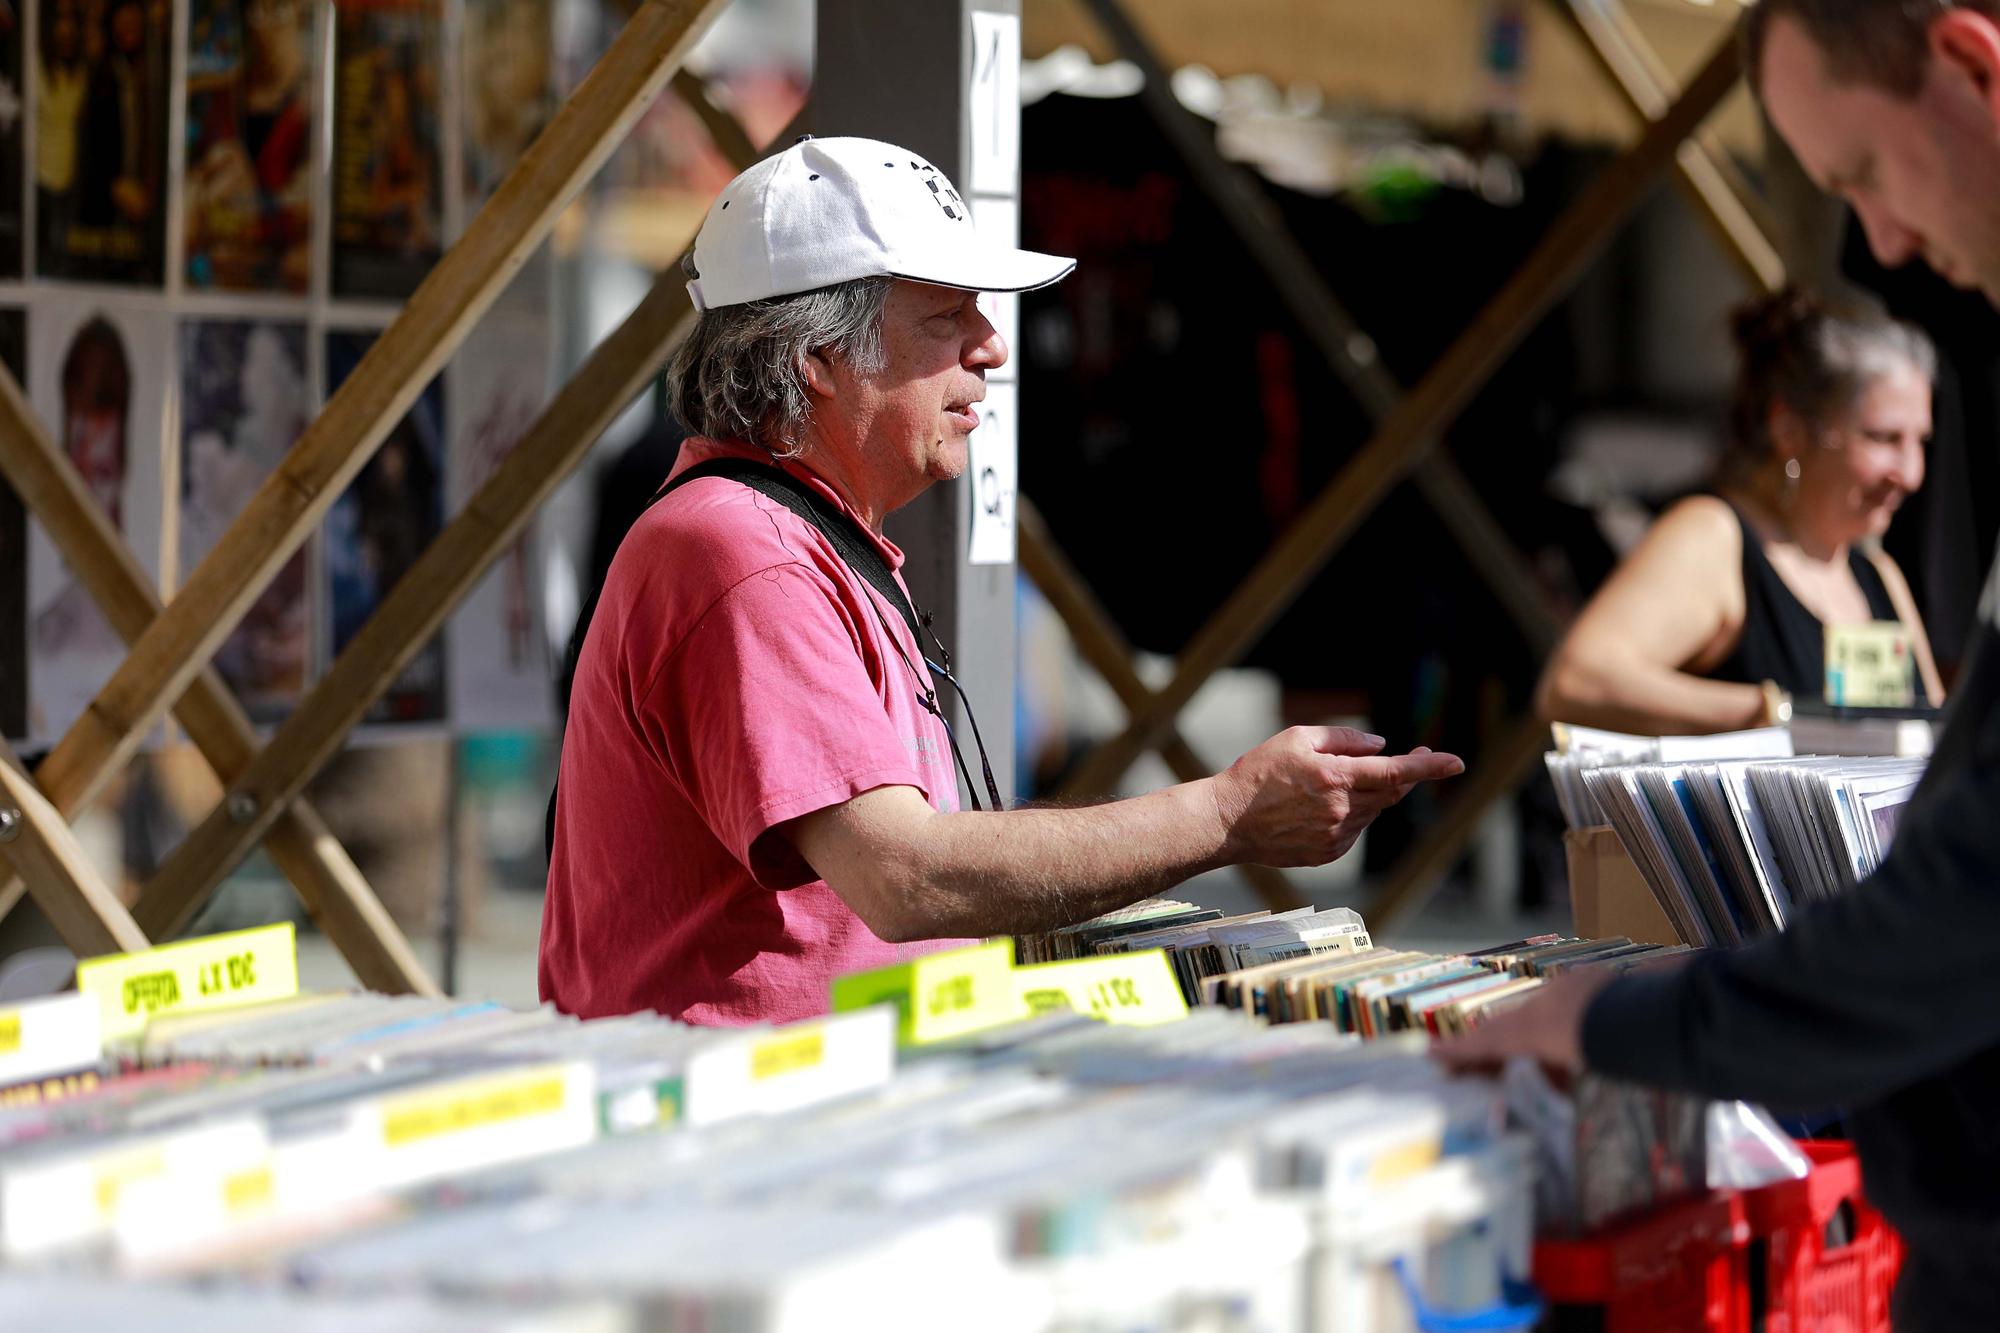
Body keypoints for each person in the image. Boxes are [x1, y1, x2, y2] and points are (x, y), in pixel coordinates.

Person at [541, 136, 1463, 1027]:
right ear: (814, 362)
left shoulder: (782, 535)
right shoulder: (748, 552)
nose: (993, 347)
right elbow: (904, 875)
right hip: (737, 1136)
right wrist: (1226, 814)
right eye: (948, 318)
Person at [1438, 4, 2000, 1323]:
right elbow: (1584, 675)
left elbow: (1970, 896)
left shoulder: (1882, 554)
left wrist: (1615, 1026)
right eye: (1883, 439)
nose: (1885, 241)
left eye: (1861, 174)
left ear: (1974, 64)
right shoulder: (1722, 538)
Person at [1536, 289, 1943, 735]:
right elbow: (1575, 682)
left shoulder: (1878, 574)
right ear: (1789, 430)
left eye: (1919, 441)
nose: (1910, 474)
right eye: (1883, 438)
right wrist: (1773, 714)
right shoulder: (1715, 536)